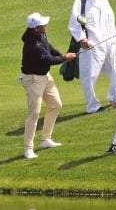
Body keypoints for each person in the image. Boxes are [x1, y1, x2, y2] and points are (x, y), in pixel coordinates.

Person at [19, 12, 76, 160]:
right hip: (32, 80)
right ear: (35, 28)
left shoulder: (40, 35)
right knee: (34, 113)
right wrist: (65, 58)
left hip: (45, 77)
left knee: (56, 105)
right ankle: (28, 149)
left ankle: (45, 139)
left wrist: (63, 55)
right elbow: (49, 60)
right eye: (43, 24)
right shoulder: (33, 45)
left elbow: (49, 48)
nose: (46, 25)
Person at [68, 0, 116, 114]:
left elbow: (111, 22)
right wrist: (82, 39)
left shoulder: (104, 1)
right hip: (91, 46)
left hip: (109, 44)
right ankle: (92, 106)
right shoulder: (81, 2)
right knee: (89, 76)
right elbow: (74, 22)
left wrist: (115, 41)